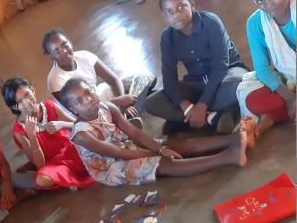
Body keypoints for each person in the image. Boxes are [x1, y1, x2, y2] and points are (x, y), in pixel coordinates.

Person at [59, 78, 252, 185]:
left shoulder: (107, 107)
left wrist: (160, 147)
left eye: (88, 92)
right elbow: (117, 153)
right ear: (74, 110)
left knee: (173, 145)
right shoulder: (82, 134)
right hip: (112, 166)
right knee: (164, 163)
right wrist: (156, 153)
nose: (88, 99)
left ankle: (235, 139)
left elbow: (134, 133)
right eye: (79, 101)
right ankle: (228, 157)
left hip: (127, 145)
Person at [146, 0, 248, 135]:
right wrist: (186, 105)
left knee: (238, 84)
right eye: (169, 11)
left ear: (192, 4)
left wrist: (201, 104)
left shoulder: (211, 22)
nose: (176, 15)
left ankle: (186, 119)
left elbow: (220, 66)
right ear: (163, 15)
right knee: (152, 102)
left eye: (182, 7)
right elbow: (169, 78)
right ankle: (213, 116)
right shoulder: (167, 37)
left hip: (227, 73)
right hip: (197, 81)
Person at [236, 0, 295, 140]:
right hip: (289, 78)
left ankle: (272, 117)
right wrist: (290, 98)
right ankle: (280, 111)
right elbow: (262, 69)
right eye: (260, 1)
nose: (268, 5)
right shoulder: (255, 24)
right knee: (252, 99)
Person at [1, 77, 94, 190]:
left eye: (27, 94)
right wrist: (32, 135)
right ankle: (68, 178)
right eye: (19, 101)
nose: (27, 102)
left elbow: (81, 125)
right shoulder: (19, 131)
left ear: (33, 90)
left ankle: (68, 179)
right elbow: (39, 164)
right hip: (55, 165)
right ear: (15, 107)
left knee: (93, 138)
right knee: (42, 180)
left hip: (73, 150)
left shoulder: (49, 106)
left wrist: (63, 124)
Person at [43, 28, 155, 120]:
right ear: (50, 56)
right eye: (57, 51)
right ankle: (129, 115)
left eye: (65, 45)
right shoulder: (55, 81)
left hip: (100, 95)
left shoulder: (84, 56)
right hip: (88, 114)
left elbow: (113, 80)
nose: (64, 51)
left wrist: (122, 103)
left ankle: (126, 115)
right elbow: (81, 112)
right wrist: (117, 102)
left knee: (146, 77)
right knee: (98, 119)